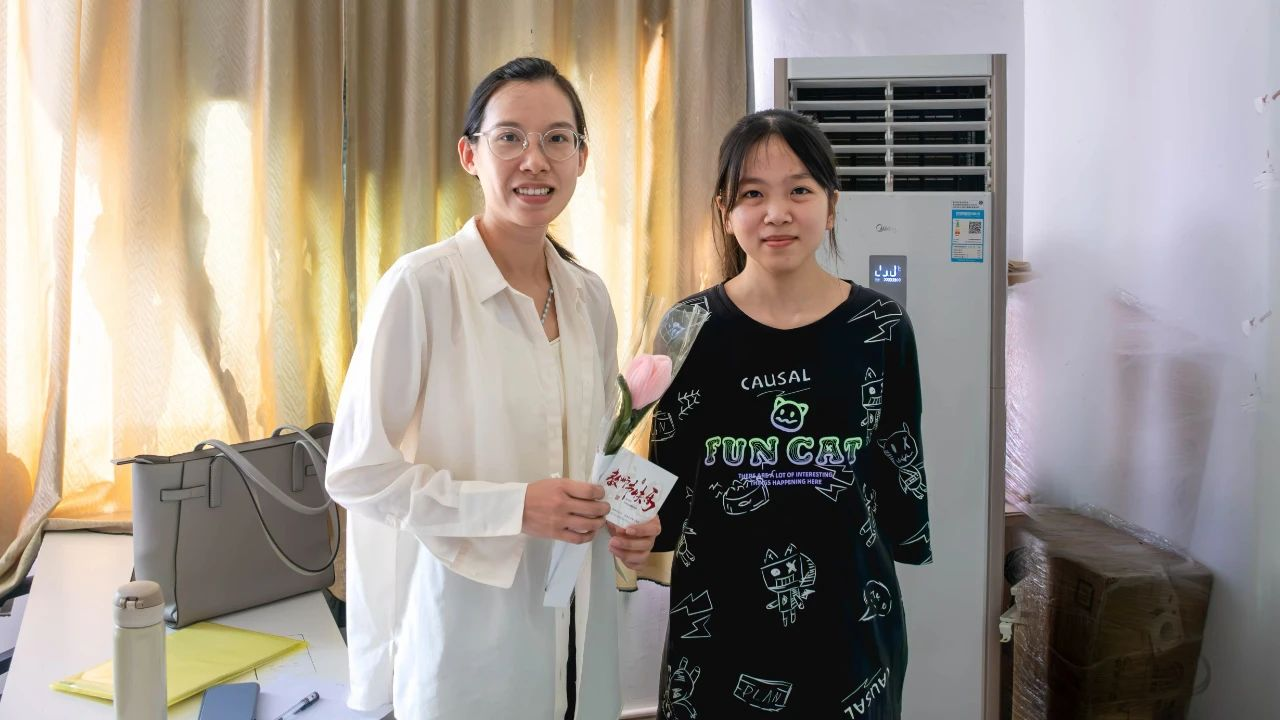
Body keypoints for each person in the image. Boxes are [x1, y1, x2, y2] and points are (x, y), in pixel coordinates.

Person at [326, 56, 660, 720]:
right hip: (468, 639)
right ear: (470, 155)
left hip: (579, 623)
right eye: (509, 137)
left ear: (582, 157)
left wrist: (626, 514)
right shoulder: (422, 288)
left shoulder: (588, 296)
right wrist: (514, 508)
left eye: (557, 138)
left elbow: (590, 446)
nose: (535, 160)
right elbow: (358, 475)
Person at [643, 109, 932, 719]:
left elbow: (899, 463)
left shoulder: (880, 326)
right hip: (719, 629)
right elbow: (666, 483)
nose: (776, 213)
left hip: (851, 628)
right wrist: (629, 523)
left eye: (799, 190)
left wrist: (905, 536)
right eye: (752, 194)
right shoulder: (689, 327)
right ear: (725, 212)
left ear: (831, 206)